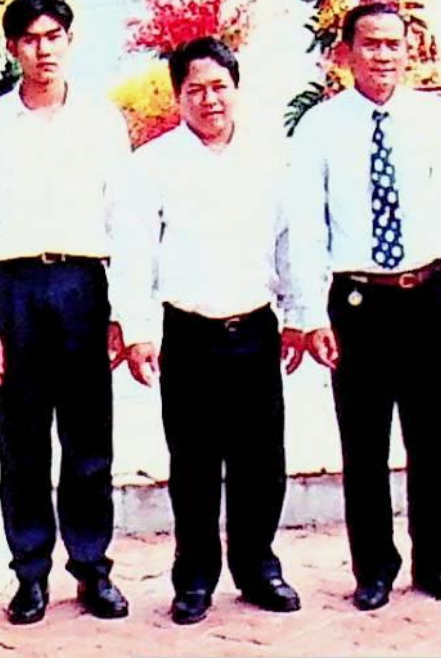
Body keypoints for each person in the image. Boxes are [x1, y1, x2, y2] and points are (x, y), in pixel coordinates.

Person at [0, 0, 147, 625]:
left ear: (70, 40)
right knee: (24, 443)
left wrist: (125, 314)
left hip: (82, 286)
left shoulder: (101, 120)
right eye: (31, 39)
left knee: (89, 441)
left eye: (54, 36)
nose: (44, 50)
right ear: (13, 48)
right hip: (16, 289)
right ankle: (30, 573)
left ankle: (92, 568)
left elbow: (125, 221)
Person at [287, 3, 441, 612]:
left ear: (409, 51)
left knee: (433, 437)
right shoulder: (319, 127)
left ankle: (438, 563)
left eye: (394, 44)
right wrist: (310, 314)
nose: (383, 56)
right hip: (357, 301)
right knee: (364, 443)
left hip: (424, 293)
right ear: (346, 53)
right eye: (370, 44)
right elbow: (306, 226)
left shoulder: (434, 120)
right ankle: (373, 568)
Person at [118, 37, 304, 626]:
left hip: (255, 328)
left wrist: (301, 316)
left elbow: (291, 243)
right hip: (189, 334)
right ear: (177, 97)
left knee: (261, 460)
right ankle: (195, 577)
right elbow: (135, 254)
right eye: (195, 89)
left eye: (219, 86)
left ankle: (258, 567)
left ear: (237, 88)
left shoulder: (272, 158)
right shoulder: (152, 166)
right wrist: (138, 331)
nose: (209, 99)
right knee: (194, 463)